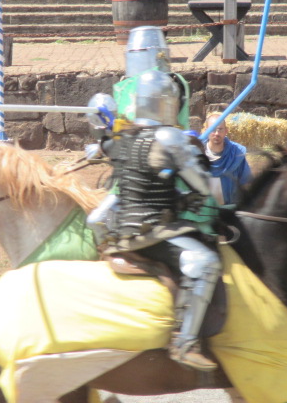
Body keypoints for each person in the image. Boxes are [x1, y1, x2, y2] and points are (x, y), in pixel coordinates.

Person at [86, 69, 222, 372]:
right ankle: (185, 342)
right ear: (168, 103)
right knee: (205, 263)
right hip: (154, 231)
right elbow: (201, 184)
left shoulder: (124, 137)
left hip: (121, 230)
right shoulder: (167, 136)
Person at [202, 112, 252, 206]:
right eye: (213, 129)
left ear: (226, 131)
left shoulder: (237, 154)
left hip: (230, 211)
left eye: (220, 129)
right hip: (203, 214)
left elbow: (246, 183)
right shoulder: (197, 153)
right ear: (206, 131)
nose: (217, 133)